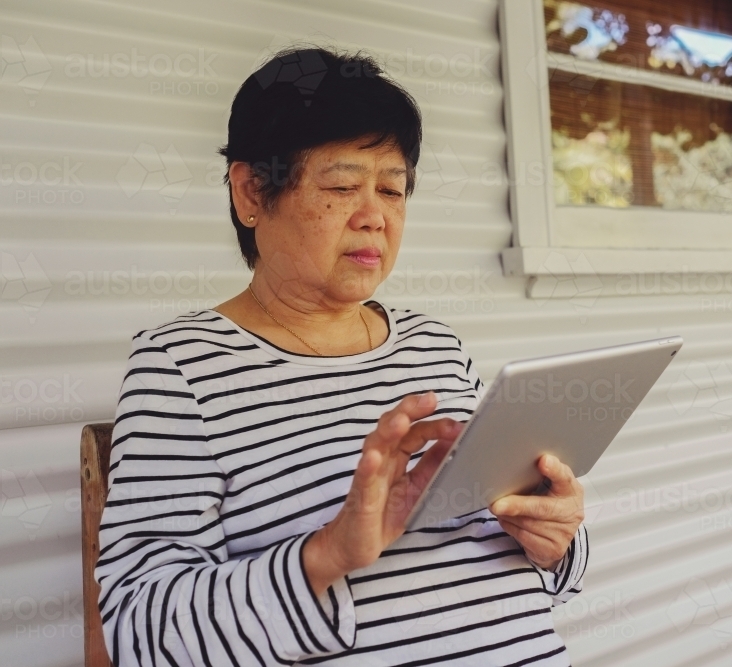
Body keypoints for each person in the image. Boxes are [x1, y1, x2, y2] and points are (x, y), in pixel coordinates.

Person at [96, 47, 588, 666]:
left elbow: (539, 572)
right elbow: (140, 635)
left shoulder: (436, 345)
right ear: (251, 192)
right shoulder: (180, 366)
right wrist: (325, 555)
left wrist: (556, 538)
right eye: (342, 186)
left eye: (393, 190)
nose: (374, 217)